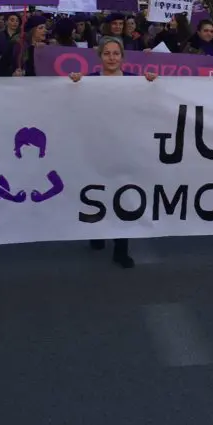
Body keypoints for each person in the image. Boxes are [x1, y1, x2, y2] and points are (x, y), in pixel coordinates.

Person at [69, 36, 157, 268]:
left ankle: (121, 248)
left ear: (122, 57)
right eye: (106, 53)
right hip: (95, 149)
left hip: (125, 148)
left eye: (116, 53)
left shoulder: (134, 81)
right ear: (100, 57)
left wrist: (151, 84)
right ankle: (97, 231)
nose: (111, 57)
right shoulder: (88, 81)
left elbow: (151, 103)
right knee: (96, 191)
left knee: (123, 194)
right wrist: (73, 84)